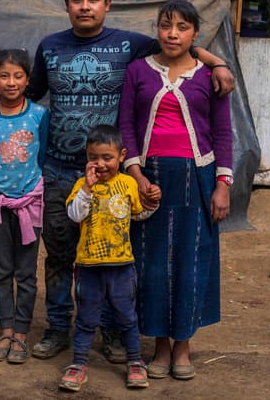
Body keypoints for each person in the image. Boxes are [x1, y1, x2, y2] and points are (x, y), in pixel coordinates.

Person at [11, 0, 234, 362]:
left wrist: (216, 62)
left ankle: (115, 331)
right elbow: (28, 93)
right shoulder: (50, 46)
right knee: (62, 254)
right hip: (62, 170)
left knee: (117, 253)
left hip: (116, 175)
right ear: (66, 5)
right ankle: (59, 327)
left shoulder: (130, 45)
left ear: (107, 5)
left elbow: (179, 44)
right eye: (77, 0)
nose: (84, 6)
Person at [119, 0, 234, 381]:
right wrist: (136, 175)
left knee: (189, 261)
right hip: (148, 179)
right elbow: (127, 126)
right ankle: (160, 347)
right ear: (157, 29)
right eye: (166, 25)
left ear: (194, 34)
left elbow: (221, 132)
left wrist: (223, 184)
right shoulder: (138, 71)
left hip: (196, 177)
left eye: (182, 27)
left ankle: (183, 344)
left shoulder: (209, 76)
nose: (172, 34)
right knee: (150, 263)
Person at [59, 125, 159, 392]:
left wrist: (152, 201)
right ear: (86, 158)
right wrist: (87, 190)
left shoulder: (127, 184)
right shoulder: (82, 186)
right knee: (86, 318)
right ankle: (79, 365)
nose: (100, 164)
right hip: (88, 267)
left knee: (126, 316)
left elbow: (138, 215)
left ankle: (135, 362)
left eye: (107, 157)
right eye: (94, 158)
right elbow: (74, 215)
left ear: (121, 156)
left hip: (122, 266)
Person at [0, 49, 49, 364]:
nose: (11, 82)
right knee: (2, 273)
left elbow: (43, 156)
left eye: (18, 76)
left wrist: (33, 187)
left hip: (31, 203)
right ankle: (5, 329)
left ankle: (21, 334)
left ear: (28, 79)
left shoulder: (40, 115)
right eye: (4, 75)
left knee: (26, 273)